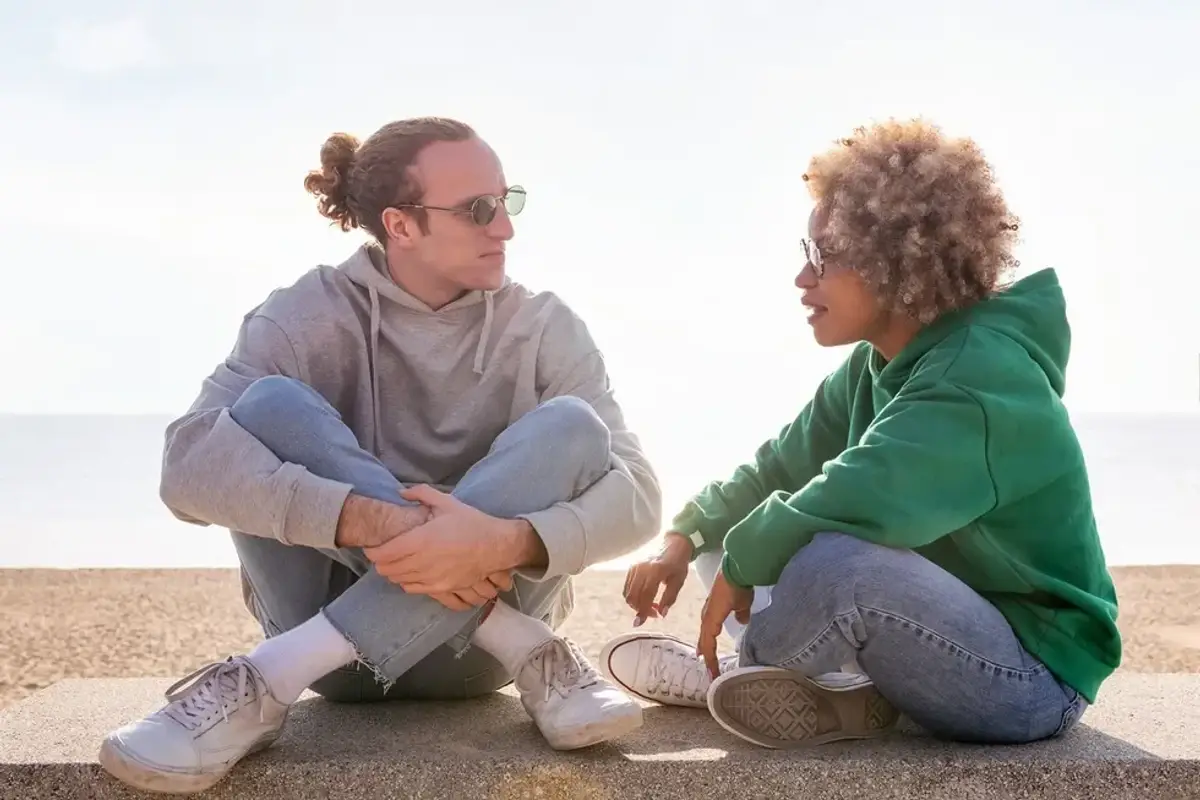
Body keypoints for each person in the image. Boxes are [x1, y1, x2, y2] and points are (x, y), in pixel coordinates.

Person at [98, 116, 662, 794]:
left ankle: (268, 679)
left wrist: (503, 542)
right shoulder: (305, 314)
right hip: (335, 664)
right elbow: (185, 466)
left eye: (508, 201)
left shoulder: (543, 327)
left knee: (572, 427)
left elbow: (639, 495)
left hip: (474, 668)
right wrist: (377, 523)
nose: (505, 228)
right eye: (479, 210)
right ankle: (513, 633)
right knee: (270, 406)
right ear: (401, 225)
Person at [601, 118, 1121, 749]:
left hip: (1030, 679)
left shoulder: (978, 377)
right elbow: (778, 470)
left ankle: (736, 672)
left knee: (839, 564)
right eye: (806, 251)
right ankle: (844, 696)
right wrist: (682, 537)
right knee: (728, 534)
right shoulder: (877, 362)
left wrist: (748, 556)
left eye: (826, 256)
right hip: (935, 634)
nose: (803, 277)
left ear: (899, 263)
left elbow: (860, 497)